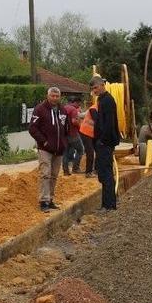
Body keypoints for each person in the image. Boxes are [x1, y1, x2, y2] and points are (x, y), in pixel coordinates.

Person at [28, 87, 68, 212]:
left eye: (57, 96)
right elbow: (33, 128)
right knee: (45, 174)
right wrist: (44, 141)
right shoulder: (40, 109)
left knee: (54, 175)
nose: (55, 98)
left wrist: (64, 142)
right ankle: (43, 201)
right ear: (48, 96)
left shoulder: (63, 110)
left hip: (59, 148)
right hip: (45, 148)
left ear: (60, 97)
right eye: (52, 96)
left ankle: (50, 199)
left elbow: (66, 127)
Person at [91, 76, 120, 211]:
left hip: (105, 143)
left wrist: (103, 141)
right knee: (102, 173)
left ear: (102, 85)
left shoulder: (108, 100)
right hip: (102, 142)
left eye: (96, 87)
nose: (94, 90)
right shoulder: (101, 100)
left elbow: (109, 123)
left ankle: (109, 205)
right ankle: (105, 204)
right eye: (92, 89)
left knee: (106, 173)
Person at [62, 97, 84, 176]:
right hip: (73, 134)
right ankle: (75, 168)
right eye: (79, 103)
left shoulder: (63, 108)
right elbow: (74, 121)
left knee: (65, 153)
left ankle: (66, 171)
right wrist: (79, 125)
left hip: (64, 135)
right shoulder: (73, 109)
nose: (79, 105)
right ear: (75, 102)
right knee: (80, 150)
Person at [79, 98, 98, 178]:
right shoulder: (93, 109)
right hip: (86, 133)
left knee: (98, 151)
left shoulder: (98, 109)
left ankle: (96, 169)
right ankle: (88, 172)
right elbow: (98, 122)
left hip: (91, 133)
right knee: (90, 153)